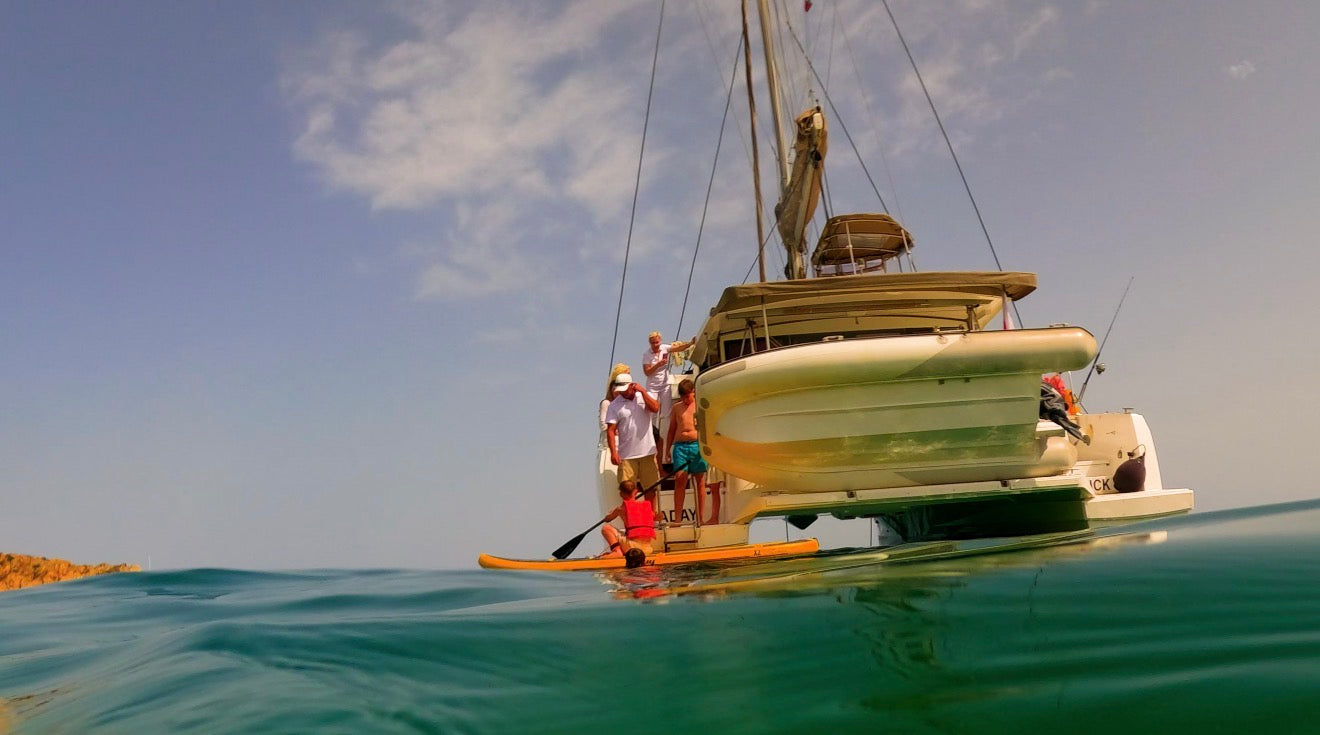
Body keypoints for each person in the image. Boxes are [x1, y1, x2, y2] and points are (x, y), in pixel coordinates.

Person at [605, 371, 662, 501]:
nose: (623, 392)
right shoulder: (614, 406)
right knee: (627, 491)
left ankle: (650, 518)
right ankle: (631, 520)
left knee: (651, 488)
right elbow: (610, 430)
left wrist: (642, 391)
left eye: (625, 389)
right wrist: (613, 452)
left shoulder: (643, 396)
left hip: (647, 452)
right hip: (627, 456)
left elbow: (655, 408)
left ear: (632, 385)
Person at [642, 331, 696, 467]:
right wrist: (658, 364)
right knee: (652, 414)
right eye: (653, 343)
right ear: (650, 343)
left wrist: (690, 343)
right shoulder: (646, 354)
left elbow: (678, 348)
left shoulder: (664, 348)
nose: (656, 345)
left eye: (657, 342)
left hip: (665, 385)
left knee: (666, 414)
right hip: (652, 386)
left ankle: (665, 443)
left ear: (660, 341)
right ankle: (651, 441)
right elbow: (647, 372)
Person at [665, 378, 714, 525]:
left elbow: (708, 425)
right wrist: (667, 450)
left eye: (688, 396)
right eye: (683, 397)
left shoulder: (699, 405)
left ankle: (700, 518)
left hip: (697, 445)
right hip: (680, 446)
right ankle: (678, 519)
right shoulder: (676, 408)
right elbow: (672, 429)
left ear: (694, 392)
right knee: (680, 479)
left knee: (700, 481)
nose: (686, 399)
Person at [598, 480, 663, 557]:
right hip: (647, 548)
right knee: (625, 536)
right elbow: (658, 518)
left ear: (621, 494)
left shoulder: (621, 509)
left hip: (632, 547)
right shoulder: (646, 507)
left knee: (606, 528)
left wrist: (611, 512)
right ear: (636, 491)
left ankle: (617, 551)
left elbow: (607, 519)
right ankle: (621, 551)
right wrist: (659, 515)